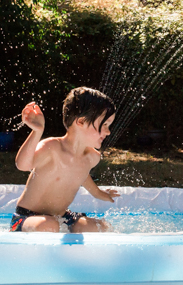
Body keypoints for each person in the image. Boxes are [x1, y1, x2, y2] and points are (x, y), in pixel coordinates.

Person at [12, 87, 119, 232]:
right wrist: (37, 132)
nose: (108, 131)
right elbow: (22, 165)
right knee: (48, 226)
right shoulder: (51, 148)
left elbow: (80, 174)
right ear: (81, 122)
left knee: (102, 228)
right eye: (104, 125)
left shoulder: (92, 157)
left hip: (61, 217)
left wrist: (99, 193)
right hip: (27, 218)